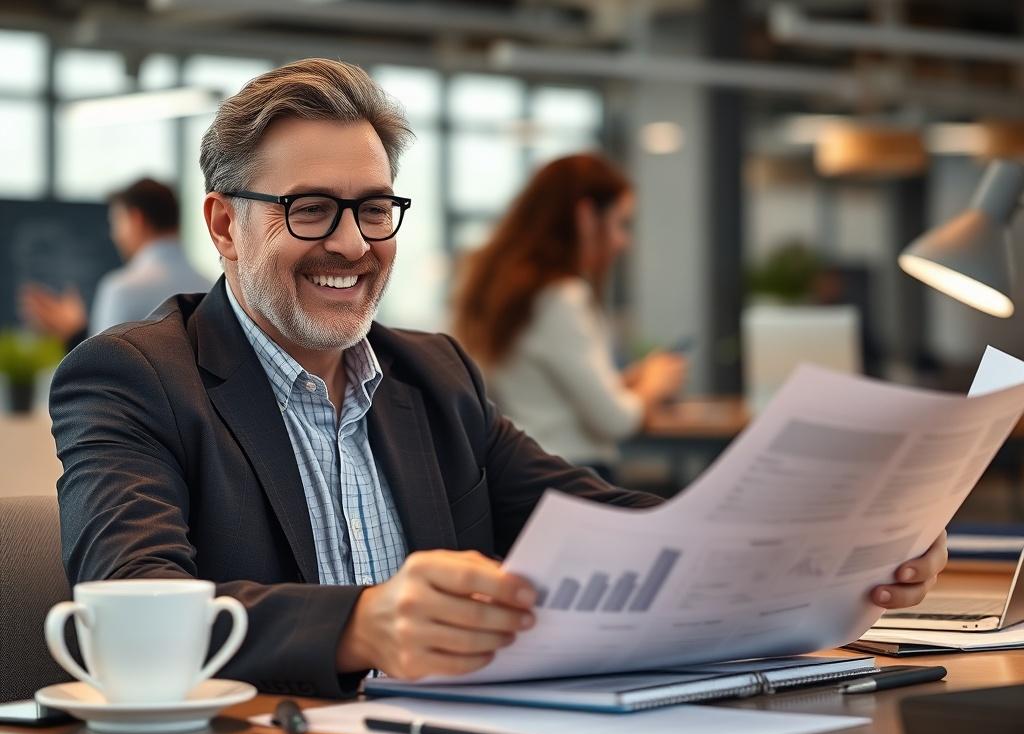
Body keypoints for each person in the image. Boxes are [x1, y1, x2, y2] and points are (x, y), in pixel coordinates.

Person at [50, 58, 947, 699]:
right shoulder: (133, 377)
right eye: (310, 209)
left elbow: (605, 523)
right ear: (222, 222)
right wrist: (362, 625)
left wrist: (837, 541)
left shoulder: (431, 376)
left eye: (373, 209)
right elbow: (130, 602)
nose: (354, 245)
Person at [452, 154, 685, 478]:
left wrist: (629, 380)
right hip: (571, 474)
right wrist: (655, 384)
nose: (623, 241)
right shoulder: (561, 298)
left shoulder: (504, 289)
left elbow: (540, 393)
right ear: (586, 216)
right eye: (621, 223)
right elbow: (615, 420)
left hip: (520, 473)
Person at [19, 178, 211, 347]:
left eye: (116, 222)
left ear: (136, 219)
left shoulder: (122, 289)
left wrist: (74, 334)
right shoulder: (209, 289)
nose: (114, 235)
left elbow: (100, 372)